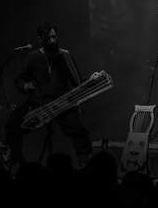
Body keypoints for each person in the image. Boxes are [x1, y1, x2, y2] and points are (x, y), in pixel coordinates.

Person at [5, 24, 93, 168]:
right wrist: (26, 86)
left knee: (79, 131)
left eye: (54, 37)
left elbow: (77, 81)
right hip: (38, 102)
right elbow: (19, 80)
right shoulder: (32, 57)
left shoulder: (65, 55)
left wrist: (91, 80)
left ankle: (86, 165)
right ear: (40, 39)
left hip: (62, 102)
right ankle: (18, 164)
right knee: (13, 124)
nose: (52, 41)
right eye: (49, 38)